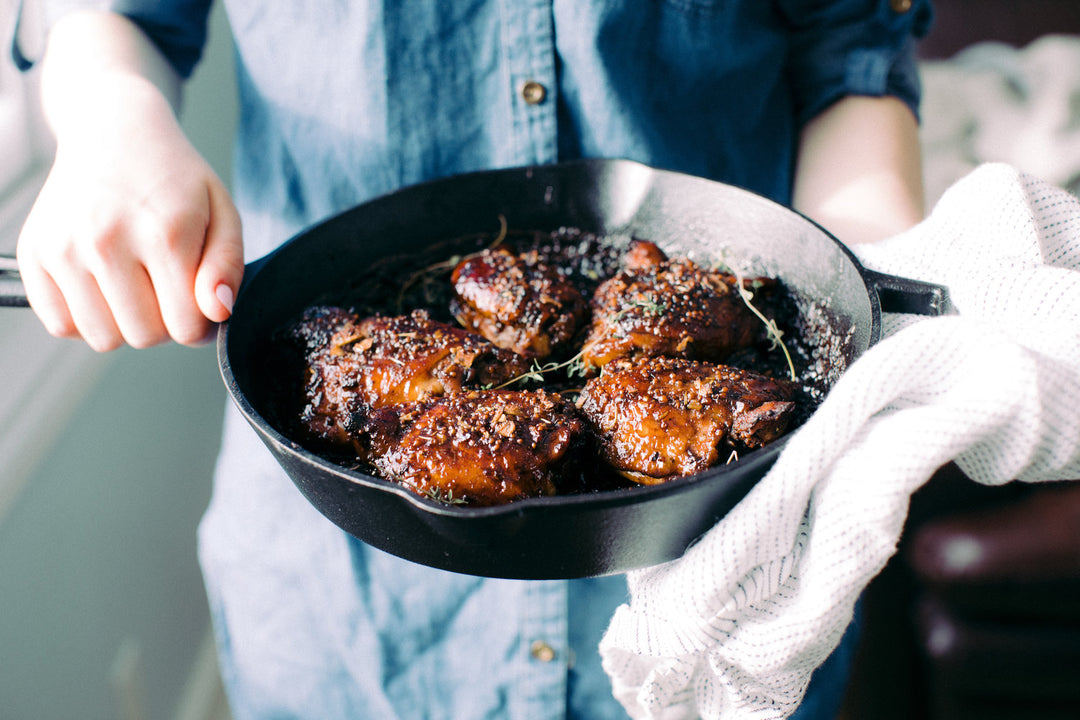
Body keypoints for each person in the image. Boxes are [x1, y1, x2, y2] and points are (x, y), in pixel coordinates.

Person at [15, 1, 932, 718]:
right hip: (340, 608)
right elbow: (109, 15)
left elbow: (849, 59)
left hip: (736, 577)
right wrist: (110, 124)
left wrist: (872, 277)